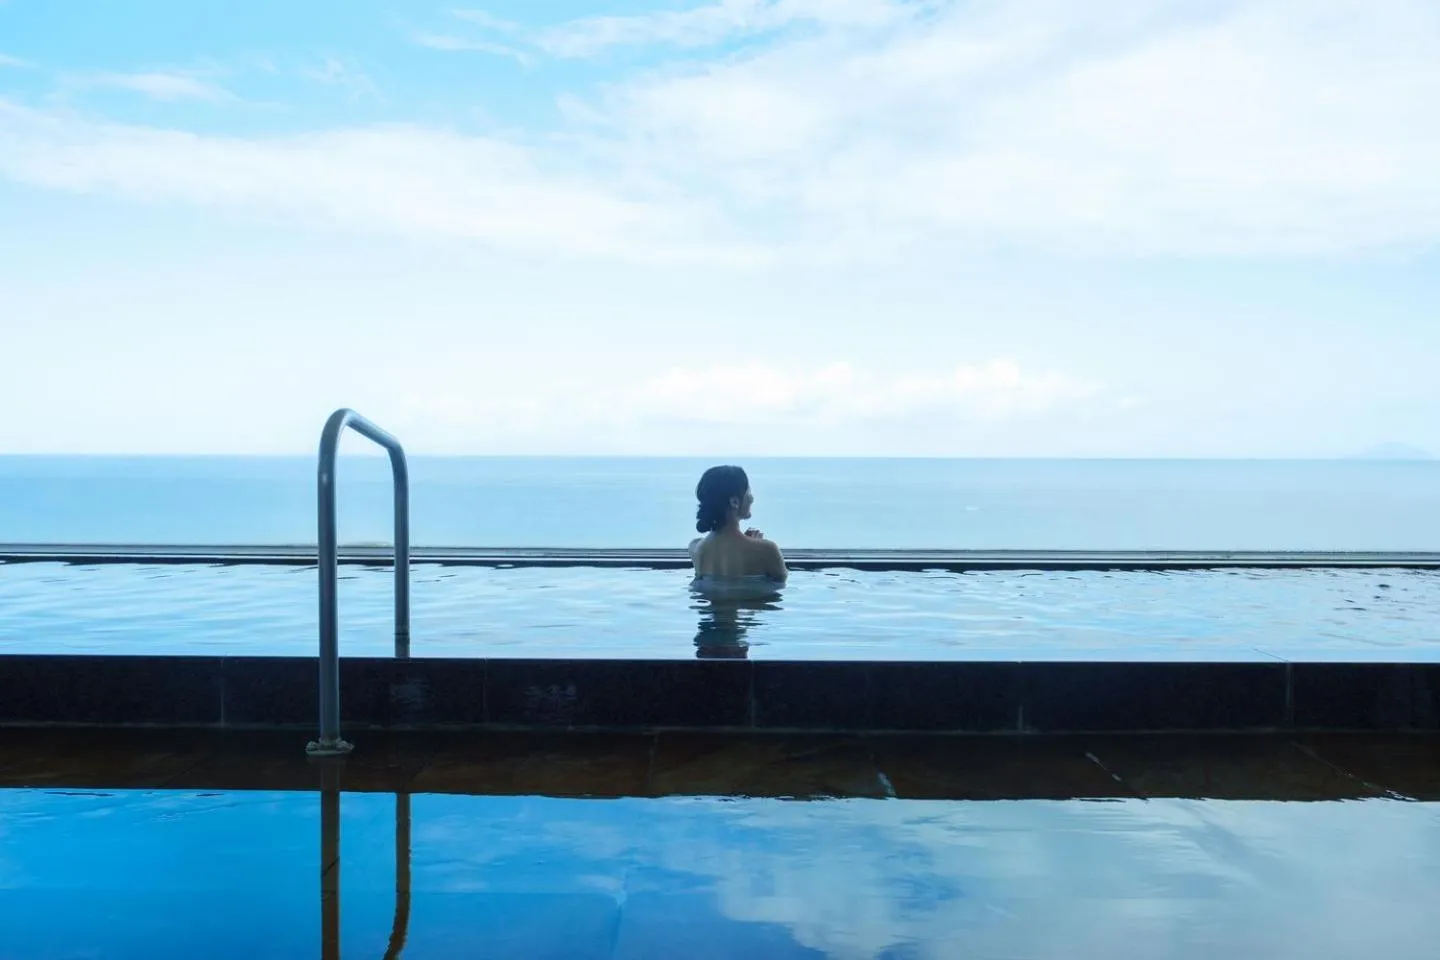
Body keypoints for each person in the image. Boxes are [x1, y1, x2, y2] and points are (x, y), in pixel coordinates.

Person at [687, 465, 788, 584]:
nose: (752, 498)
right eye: (748, 492)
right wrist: (756, 544)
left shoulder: (695, 548)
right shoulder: (767, 550)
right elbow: (779, 588)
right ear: (734, 502)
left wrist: (752, 543)